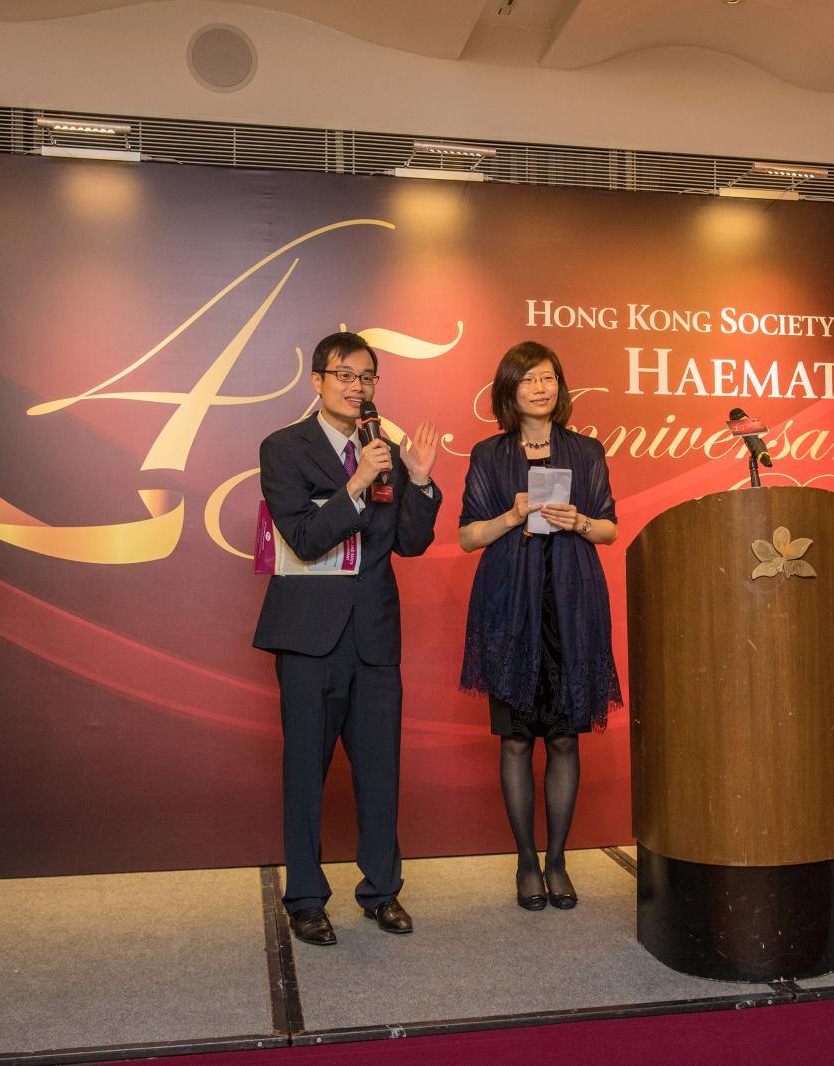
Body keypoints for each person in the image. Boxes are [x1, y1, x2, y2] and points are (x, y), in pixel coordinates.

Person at [253, 331, 441, 946]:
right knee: (305, 773)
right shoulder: (284, 448)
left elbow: (410, 543)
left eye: (367, 377)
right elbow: (305, 539)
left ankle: (382, 891)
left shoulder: (383, 448)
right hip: (309, 639)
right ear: (317, 381)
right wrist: (356, 481)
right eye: (345, 375)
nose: (357, 387)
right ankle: (306, 899)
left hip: (375, 636)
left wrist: (421, 483)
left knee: (380, 771)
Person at [458, 341, 621, 911]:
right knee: (516, 738)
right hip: (509, 607)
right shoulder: (489, 454)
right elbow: (468, 536)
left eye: (548, 377)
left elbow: (609, 530)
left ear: (561, 386)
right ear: (509, 390)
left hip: (571, 606)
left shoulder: (587, 450)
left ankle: (557, 861)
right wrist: (513, 514)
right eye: (528, 379)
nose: (540, 387)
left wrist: (579, 521)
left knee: (564, 737)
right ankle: (526, 861)